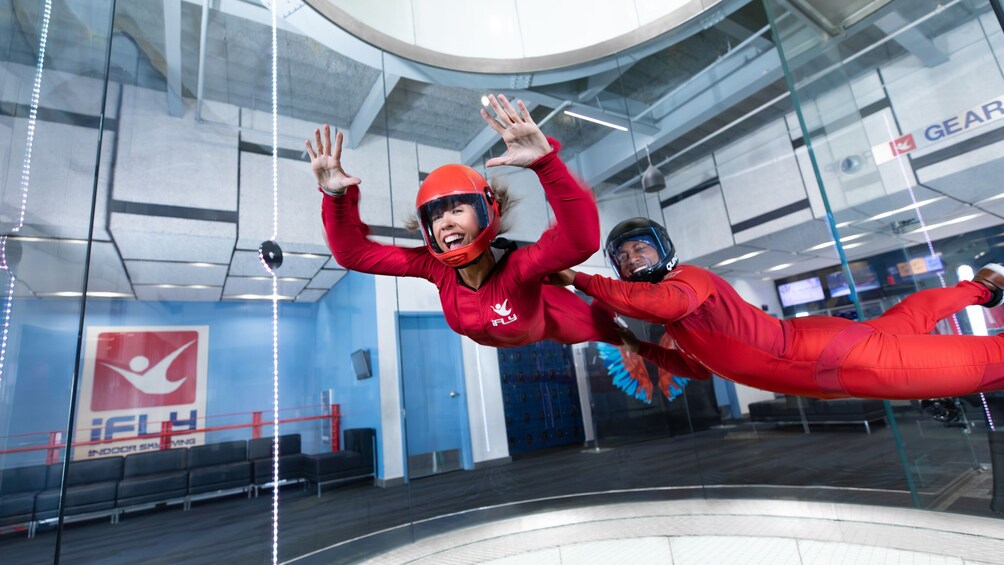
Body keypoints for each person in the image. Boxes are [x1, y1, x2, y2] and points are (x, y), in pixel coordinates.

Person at [305, 94, 679, 402]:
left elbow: (579, 239)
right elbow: (352, 254)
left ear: (487, 211)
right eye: (435, 217)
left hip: (549, 319)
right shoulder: (433, 267)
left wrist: (546, 164)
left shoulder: (519, 266)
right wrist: (335, 195)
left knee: (617, 334)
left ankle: (642, 337)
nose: (445, 221)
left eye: (456, 209)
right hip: (509, 327)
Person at [550, 216, 1004, 401]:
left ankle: (984, 289)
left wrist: (580, 278)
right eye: (622, 256)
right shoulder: (681, 322)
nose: (631, 260)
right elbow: (698, 369)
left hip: (832, 359)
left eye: (639, 249)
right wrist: (637, 346)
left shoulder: (685, 280)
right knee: (905, 321)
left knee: (987, 364)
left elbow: (655, 302)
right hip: (826, 352)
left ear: (663, 250)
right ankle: (984, 287)